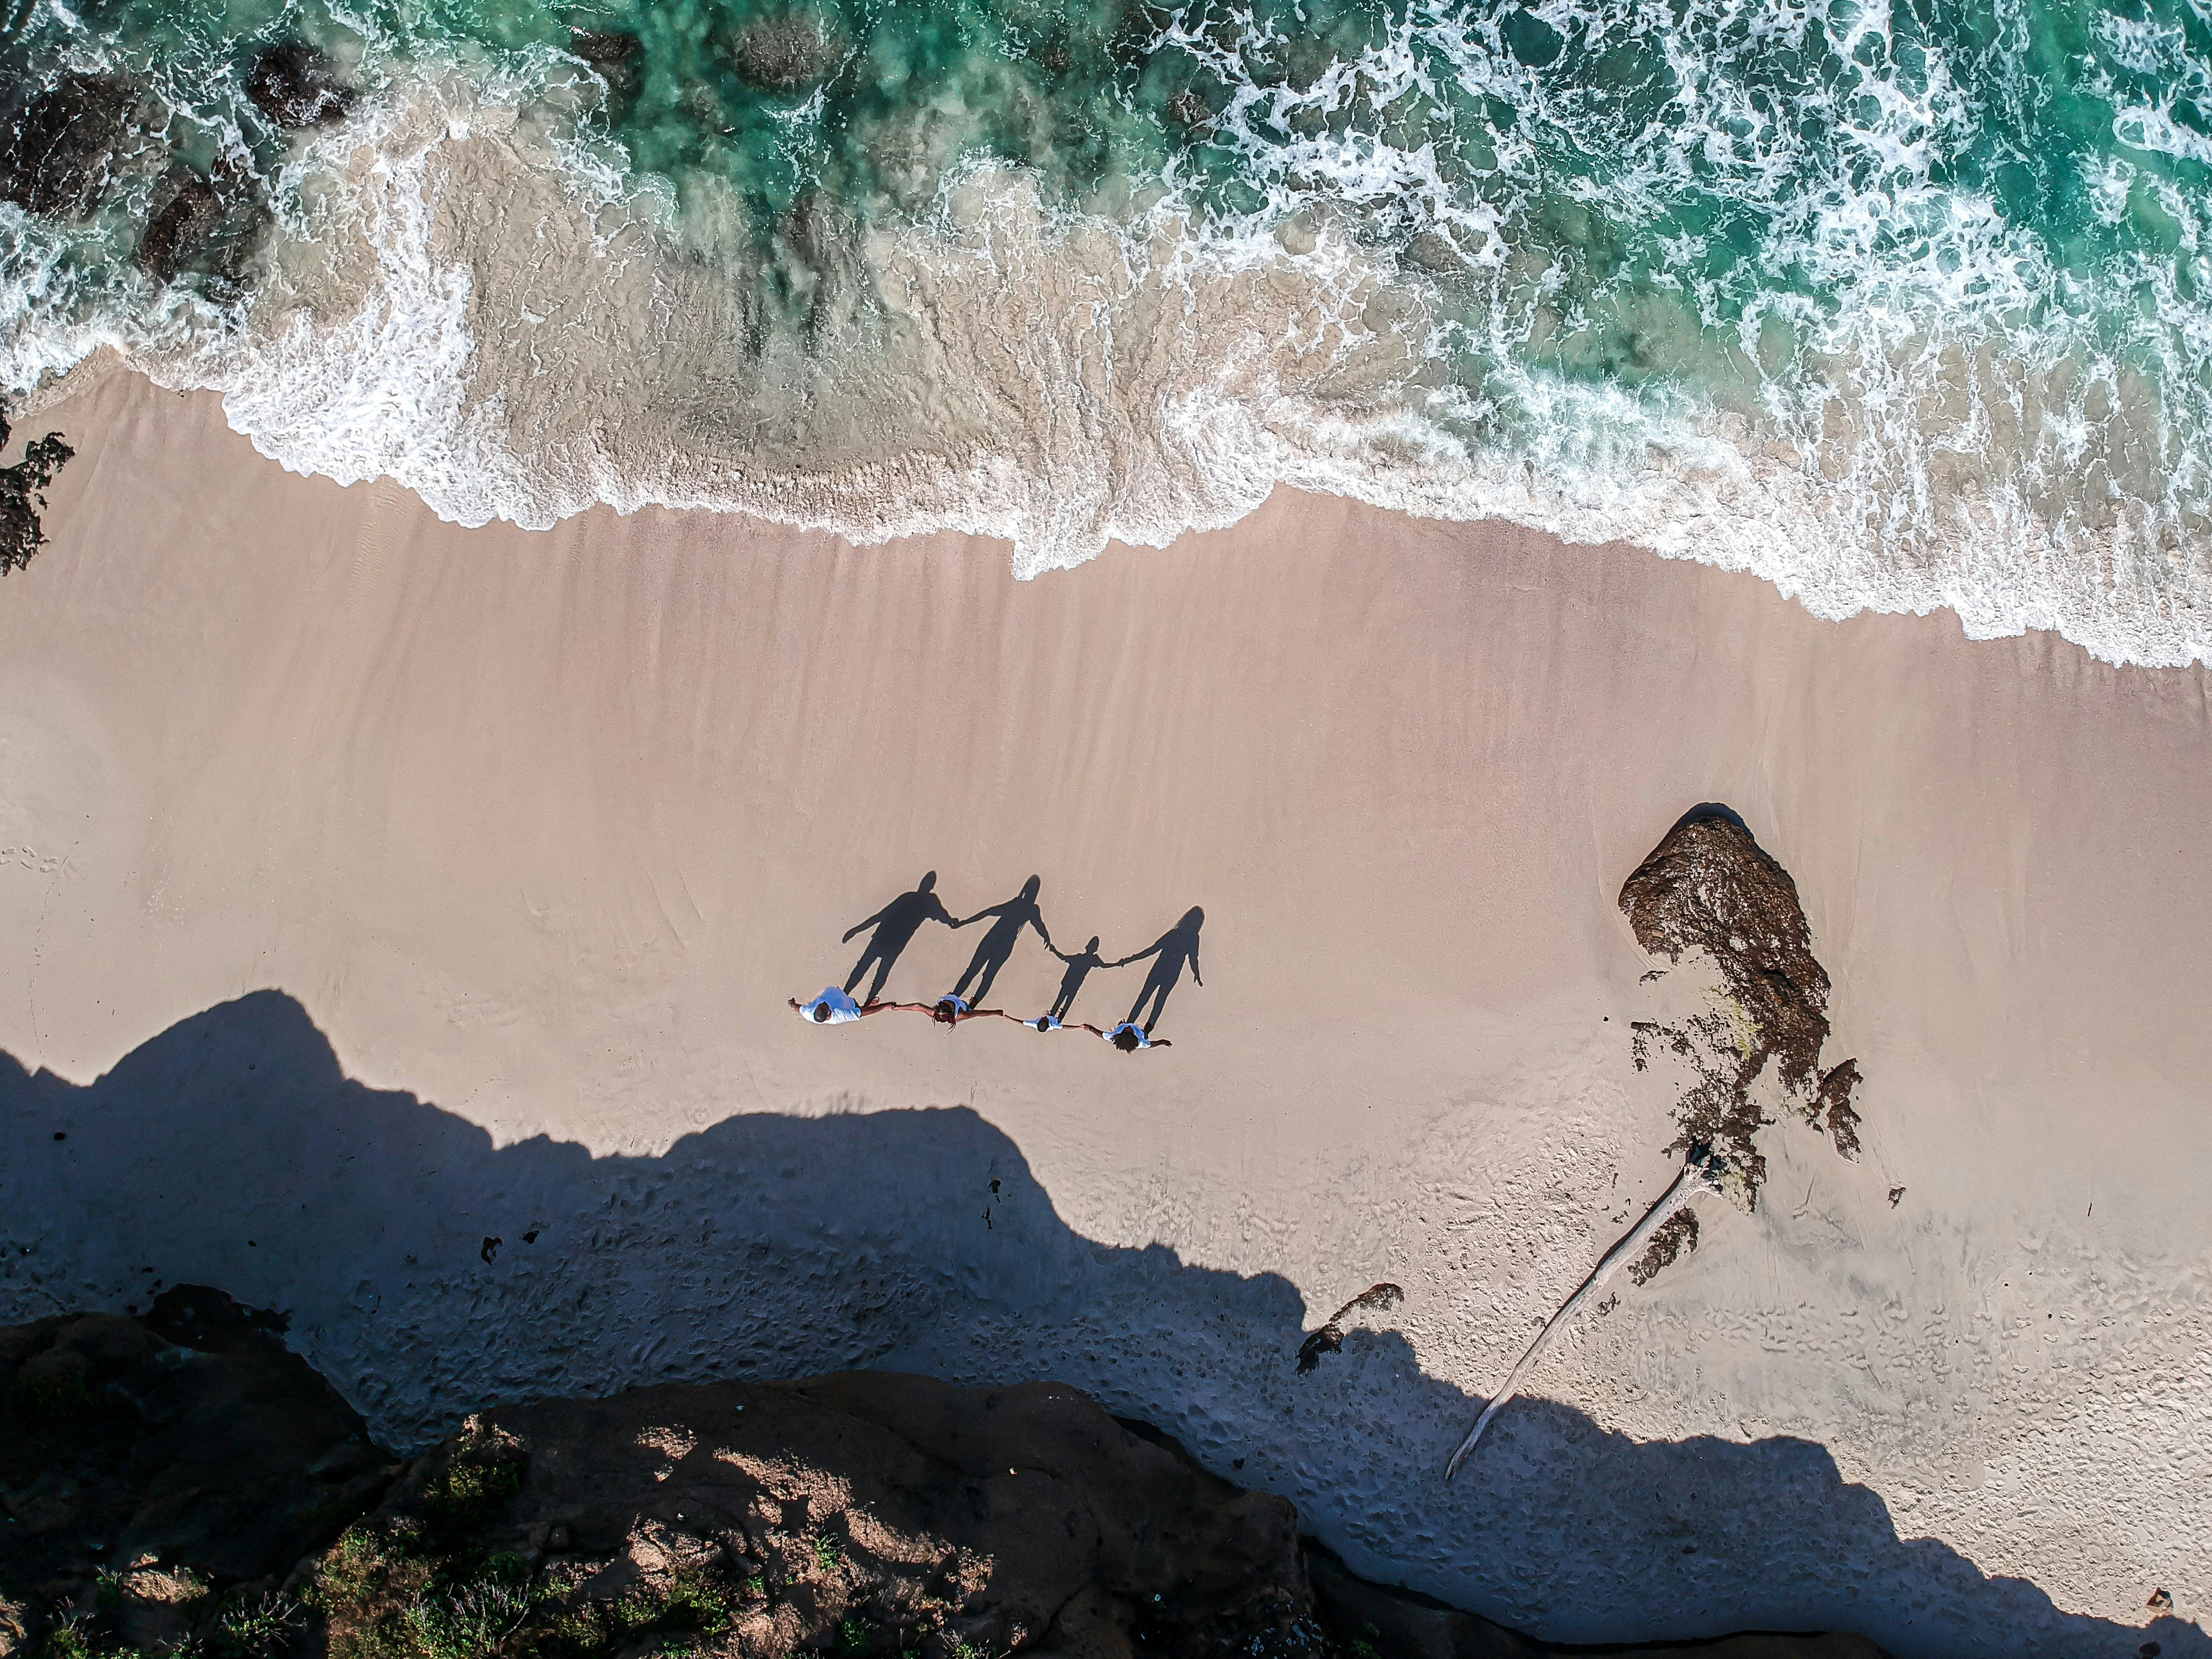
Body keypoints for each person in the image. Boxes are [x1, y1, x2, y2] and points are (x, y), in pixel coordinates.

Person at [841, 871, 955, 1005]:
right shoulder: (930, 901)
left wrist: (856, 931)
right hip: (896, 943)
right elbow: (943, 916)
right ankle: (868, 1003)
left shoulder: (908, 897)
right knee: (882, 972)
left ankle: (844, 994)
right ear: (932, 886)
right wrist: (951, 922)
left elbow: (880, 916)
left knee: (863, 966)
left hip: (881, 937)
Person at [948, 875, 1053, 1010]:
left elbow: (989, 912)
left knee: (973, 970)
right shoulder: (1031, 909)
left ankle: (953, 999)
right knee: (989, 975)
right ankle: (971, 1006)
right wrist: (1046, 937)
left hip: (991, 939)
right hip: (1005, 945)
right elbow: (1039, 925)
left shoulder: (1016, 904)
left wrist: (965, 922)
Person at [1112, 905, 1204, 1034]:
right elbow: (1193, 958)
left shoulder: (1174, 934)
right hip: (1173, 973)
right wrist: (1196, 973)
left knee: (1144, 997)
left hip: (1159, 969)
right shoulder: (1193, 938)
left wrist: (1131, 959)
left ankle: (1128, 1025)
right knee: (1160, 1000)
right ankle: (1146, 1032)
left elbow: (1153, 949)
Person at [1045, 935, 1108, 1024]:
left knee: (1060, 1000)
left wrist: (1054, 950)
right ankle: (1059, 1020)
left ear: (1086, 947)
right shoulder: (1093, 960)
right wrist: (1119, 964)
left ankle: (1051, 1017)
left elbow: (1063, 958)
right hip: (1076, 984)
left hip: (1067, 982)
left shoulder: (1079, 957)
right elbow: (1104, 966)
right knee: (1068, 1002)